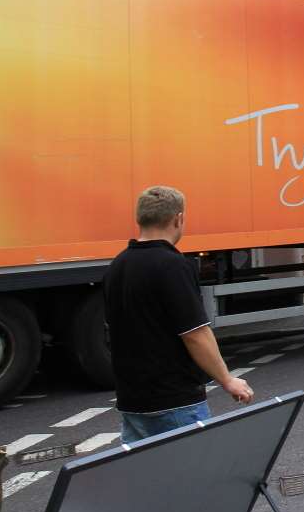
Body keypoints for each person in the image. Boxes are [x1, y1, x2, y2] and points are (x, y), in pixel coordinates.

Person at [104, 185, 253, 443]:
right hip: (174, 401)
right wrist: (227, 380)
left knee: (148, 480)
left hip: (132, 401)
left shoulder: (118, 265)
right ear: (178, 219)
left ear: (139, 218)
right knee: (195, 478)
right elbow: (195, 333)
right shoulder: (173, 265)